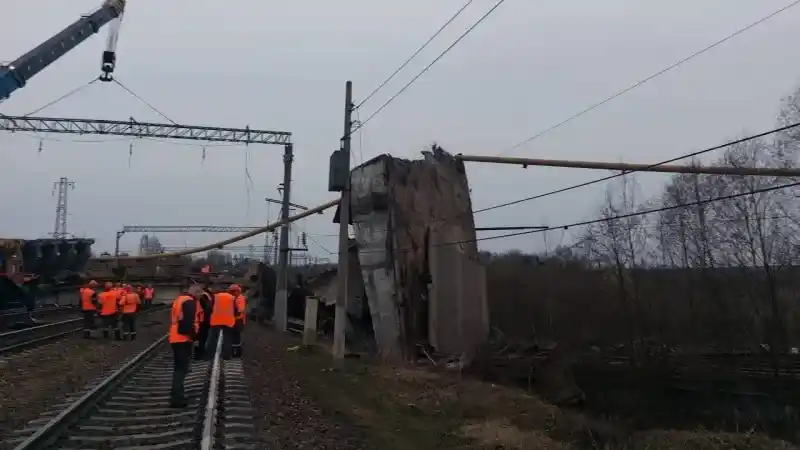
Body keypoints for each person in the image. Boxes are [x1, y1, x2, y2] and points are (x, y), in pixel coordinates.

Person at [169, 285, 203, 408]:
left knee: (178, 367)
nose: (200, 298)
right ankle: (176, 398)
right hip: (183, 338)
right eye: (200, 295)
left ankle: (178, 394)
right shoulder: (189, 302)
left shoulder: (180, 299)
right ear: (196, 292)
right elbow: (187, 323)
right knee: (181, 369)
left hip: (175, 337)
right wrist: (194, 338)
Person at [206, 285, 238, 360]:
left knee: (212, 338)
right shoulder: (232, 298)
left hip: (216, 320)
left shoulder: (214, 297)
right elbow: (236, 310)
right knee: (227, 338)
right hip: (228, 320)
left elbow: (208, 308)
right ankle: (226, 356)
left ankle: (209, 355)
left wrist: (210, 316)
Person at [194, 283, 214, 360]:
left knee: (198, 338)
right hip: (204, 321)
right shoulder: (207, 296)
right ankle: (200, 354)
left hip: (200, 320)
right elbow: (208, 308)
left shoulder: (202, 296)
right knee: (202, 338)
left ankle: (198, 353)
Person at [231, 284, 247, 358]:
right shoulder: (234, 298)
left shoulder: (240, 299)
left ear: (238, 291)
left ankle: (237, 353)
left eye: (233, 291)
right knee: (234, 336)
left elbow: (240, 310)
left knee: (236, 337)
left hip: (238, 321)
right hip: (235, 320)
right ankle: (234, 351)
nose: (232, 293)